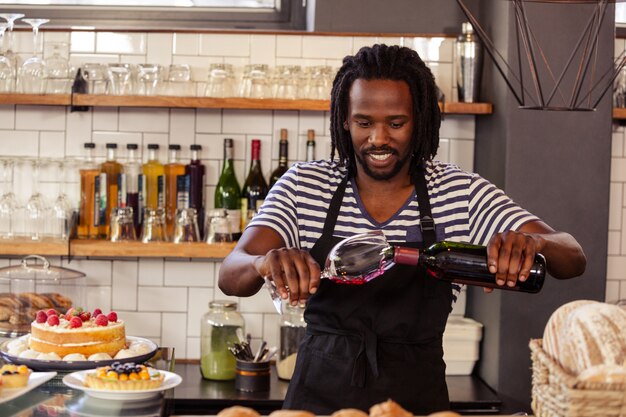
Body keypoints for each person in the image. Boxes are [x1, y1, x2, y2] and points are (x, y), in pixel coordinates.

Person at [218, 44, 586, 414]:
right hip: (315, 404)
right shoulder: (305, 185)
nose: (379, 138)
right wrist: (262, 263)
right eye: (364, 122)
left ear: (420, 119)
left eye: (396, 123)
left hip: (417, 403)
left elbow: (572, 255)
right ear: (344, 120)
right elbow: (232, 272)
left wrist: (532, 243)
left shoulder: (460, 192)